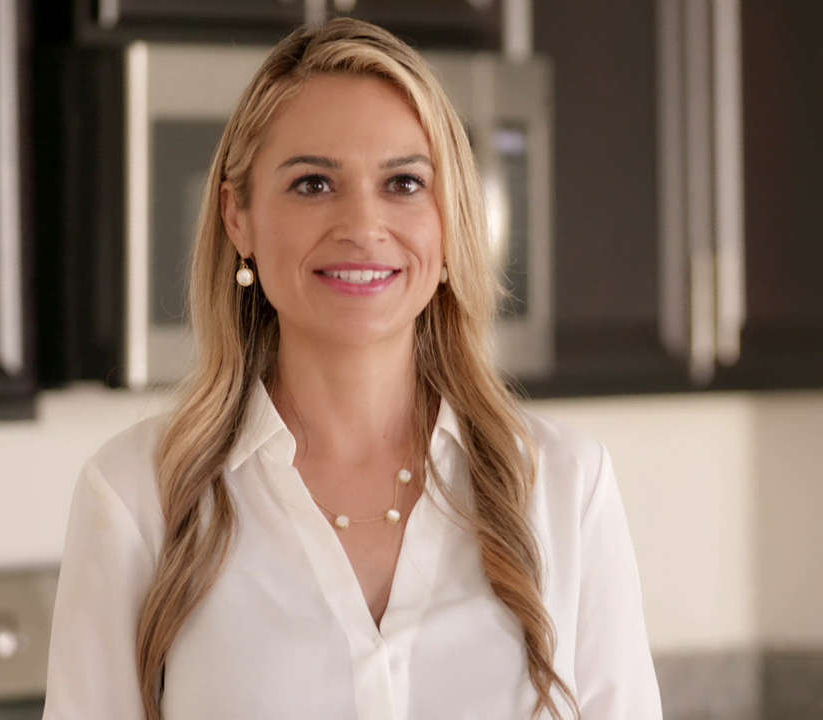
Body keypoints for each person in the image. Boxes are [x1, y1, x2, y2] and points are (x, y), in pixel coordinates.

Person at [41, 17, 661, 720]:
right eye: (312, 184)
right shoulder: (136, 498)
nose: (363, 227)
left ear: (451, 218)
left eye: (404, 183)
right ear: (238, 216)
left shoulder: (565, 488)